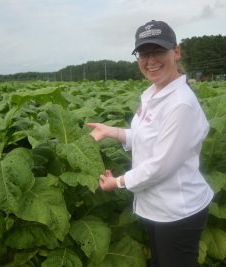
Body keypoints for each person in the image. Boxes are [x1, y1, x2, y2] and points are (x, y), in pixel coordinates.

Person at [87, 20, 214, 267]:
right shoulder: (154, 93)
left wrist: (119, 182)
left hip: (178, 210)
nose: (151, 59)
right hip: (157, 206)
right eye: (144, 53)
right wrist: (110, 131)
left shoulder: (180, 104)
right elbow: (146, 138)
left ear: (176, 52)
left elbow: (160, 165)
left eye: (158, 51)